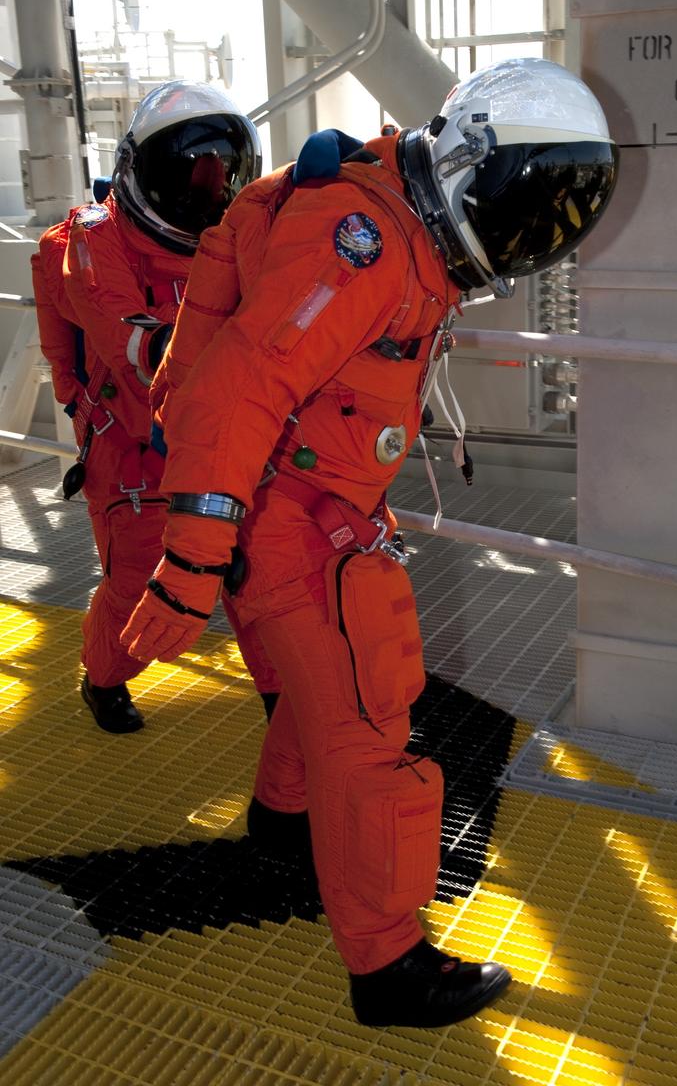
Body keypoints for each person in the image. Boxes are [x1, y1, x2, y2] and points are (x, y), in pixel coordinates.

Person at [120, 57, 619, 1026]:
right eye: (523, 209)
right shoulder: (367, 240)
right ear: (472, 165)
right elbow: (236, 388)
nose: (521, 240)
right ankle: (387, 967)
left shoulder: (382, 206)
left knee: (321, 706)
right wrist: (191, 561)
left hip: (307, 501)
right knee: (369, 727)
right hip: (291, 518)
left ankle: (279, 829)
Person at [31, 80, 280, 733]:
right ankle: (105, 680)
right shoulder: (90, 241)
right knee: (138, 581)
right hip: (135, 450)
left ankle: (286, 695)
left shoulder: (238, 238)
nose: (210, 191)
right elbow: (129, 339)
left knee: (268, 575)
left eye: (221, 177)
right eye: (195, 177)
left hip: (227, 440)